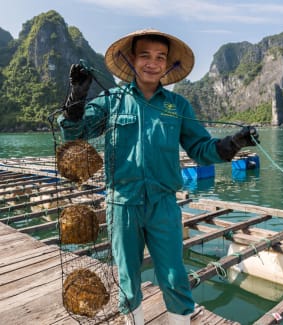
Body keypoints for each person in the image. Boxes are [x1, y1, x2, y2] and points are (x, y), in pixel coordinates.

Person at [58, 29, 259, 325]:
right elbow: (75, 132)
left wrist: (234, 142)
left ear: (168, 64)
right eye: (145, 55)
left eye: (160, 57)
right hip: (122, 204)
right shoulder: (112, 100)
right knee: (128, 275)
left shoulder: (177, 107)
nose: (152, 63)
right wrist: (77, 95)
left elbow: (202, 150)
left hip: (163, 204)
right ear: (131, 60)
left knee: (174, 275)